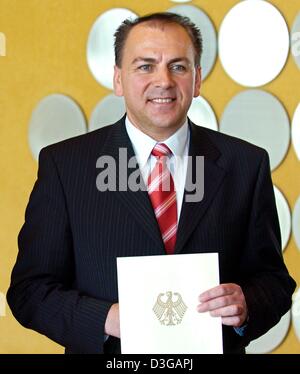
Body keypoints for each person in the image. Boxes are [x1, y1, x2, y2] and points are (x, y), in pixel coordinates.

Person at [7, 12, 295, 354]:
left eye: (179, 66)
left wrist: (247, 303)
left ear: (197, 79)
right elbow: (29, 291)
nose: (164, 81)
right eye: (145, 66)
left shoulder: (246, 165)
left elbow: (275, 283)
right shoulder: (66, 167)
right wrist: (105, 319)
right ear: (118, 79)